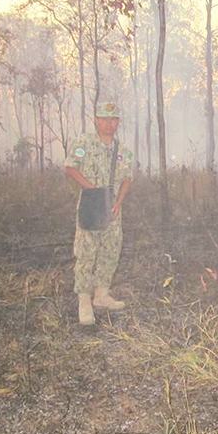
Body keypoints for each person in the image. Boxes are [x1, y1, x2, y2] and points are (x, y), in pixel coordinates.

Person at [64, 102, 133, 325]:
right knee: (86, 251)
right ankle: (84, 301)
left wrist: (119, 202)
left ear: (118, 122)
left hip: (112, 207)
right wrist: (92, 189)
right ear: (96, 120)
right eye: (104, 119)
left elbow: (127, 178)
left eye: (113, 119)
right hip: (91, 204)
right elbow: (70, 167)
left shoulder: (123, 151)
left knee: (111, 249)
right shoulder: (84, 143)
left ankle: (101, 295)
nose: (109, 124)